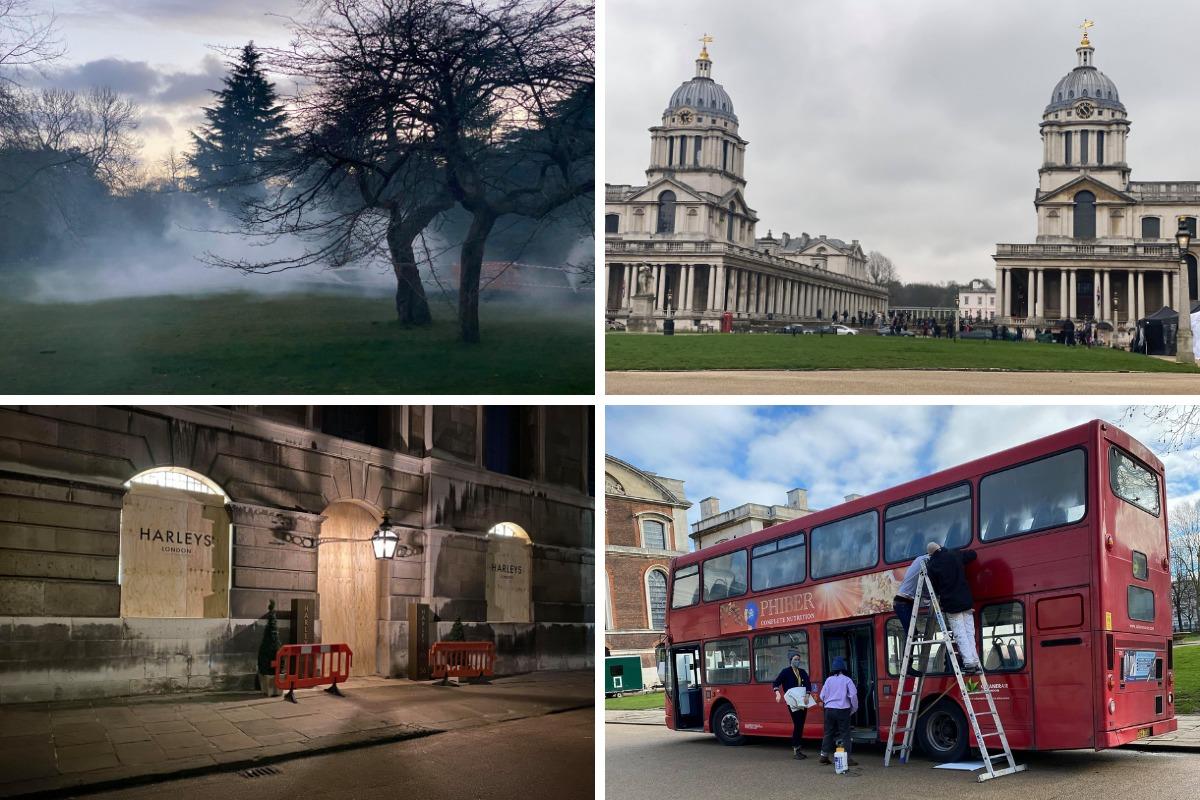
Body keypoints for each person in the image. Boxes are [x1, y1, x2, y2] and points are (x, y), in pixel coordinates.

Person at [926, 541, 981, 672]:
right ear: (939, 547)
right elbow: (973, 554)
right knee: (969, 633)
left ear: (930, 554)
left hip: (952, 604)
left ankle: (969, 663)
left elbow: (933, 588)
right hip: (966, 601)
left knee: (960, 634)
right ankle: (974, 660)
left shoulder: (932, 564)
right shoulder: (955, 553)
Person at [772, 651, 814, 760]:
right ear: (790, 660)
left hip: (803, 701)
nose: (797, 661)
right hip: (793, 701)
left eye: (798, 659)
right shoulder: (785, 672)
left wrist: (807, 695)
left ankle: (798, 747)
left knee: (801, 724)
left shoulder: (802, 672)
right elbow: (776, 683)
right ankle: (796, 748)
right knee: (798, 723)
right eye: (795, 659)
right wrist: (777, 693)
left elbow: (808, 684)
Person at [818, 656, 859, 767]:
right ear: (843, 668)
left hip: (829, 710)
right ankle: (848, 759)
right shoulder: (847, 680)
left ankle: (824, 756)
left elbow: (822, 696)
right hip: (842, 710)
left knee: (828, 732)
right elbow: (853, 696)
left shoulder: (828, 680)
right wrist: (854, 709)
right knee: (845, 734)